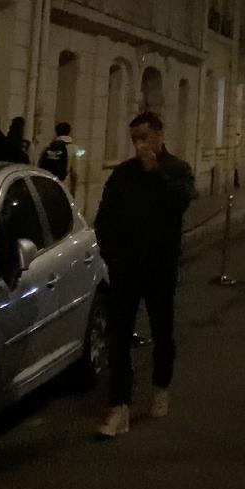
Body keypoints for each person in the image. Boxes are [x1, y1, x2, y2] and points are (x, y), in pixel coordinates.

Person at [93, 109, 194, 438]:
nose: (139, 145)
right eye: (135, 139)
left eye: (145, 138)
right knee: (119, 336)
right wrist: (112, 256)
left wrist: (156, 174)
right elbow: (105, 218)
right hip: (126, 269)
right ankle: (118, 406)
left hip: (160, 269)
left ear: (160, 137)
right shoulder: (123, 175)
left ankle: (161, 387)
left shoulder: (177, 170)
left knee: (162, 331)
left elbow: (179, 203)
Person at [39, 120, 78, 195]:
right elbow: (75, 173)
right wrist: (73, 191)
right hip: (63, 186)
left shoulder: (48, 147)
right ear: (69, 132)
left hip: (47, 186)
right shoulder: (73, 149)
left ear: (56, 132)